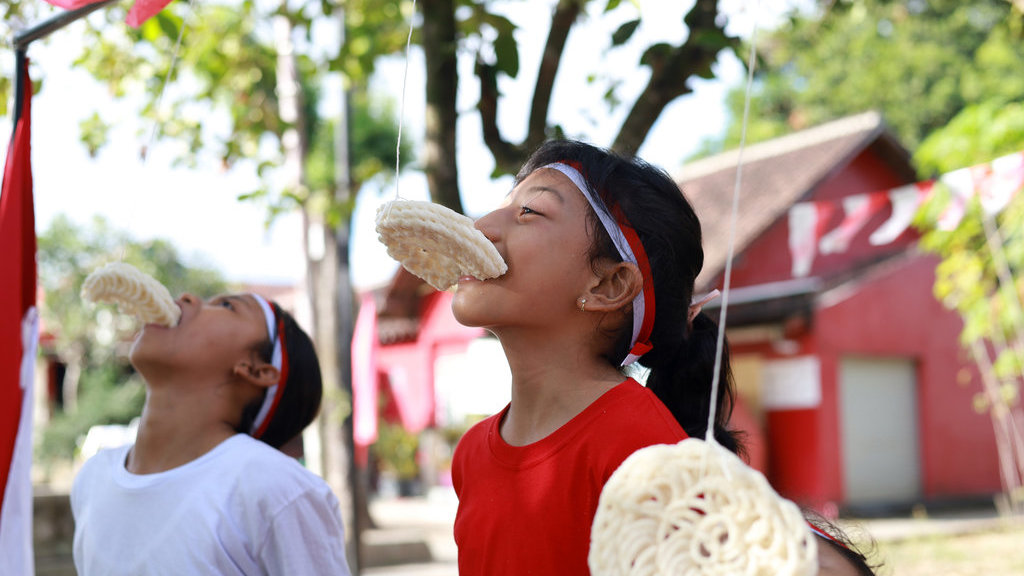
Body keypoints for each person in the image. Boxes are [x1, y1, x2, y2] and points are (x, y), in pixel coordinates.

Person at [449, 139, 741, 575]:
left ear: (609, 286)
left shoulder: (646, 455)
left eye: (530, 212)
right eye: (502, 205)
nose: (480, 225)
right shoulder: (471, 453)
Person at [71, 292, 351, 575]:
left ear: (255, 370)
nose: (187, 298)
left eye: (228, 306)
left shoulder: (275, 490)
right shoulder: (94, 478)